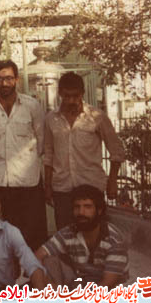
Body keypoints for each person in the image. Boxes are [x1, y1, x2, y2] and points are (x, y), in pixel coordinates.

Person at [0, 60, 47, 250]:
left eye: (9, 78)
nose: (4, 83)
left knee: (31, 237)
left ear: (16, 79)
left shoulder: (32, 106)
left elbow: (42, 141)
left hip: (28, 182)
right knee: (2, 238)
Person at [44, 72, 125, 229]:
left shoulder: (97, 117)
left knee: (93, 233)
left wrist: (112, 181)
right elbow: (48, 154)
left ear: (82, 93)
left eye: (75, 96)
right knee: (66, 234)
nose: (71, 101)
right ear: (60, 93)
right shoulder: (51, 119)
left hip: (91, 186)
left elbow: (117, 150)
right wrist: (47, 187)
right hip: (62, 189)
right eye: (67, 96)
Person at [35, 184, 129, 290]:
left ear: (99, 210)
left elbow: (107, 283)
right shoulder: (69, 232)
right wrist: (48, 284)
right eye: (77, 207)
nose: (81, 212)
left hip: (109, 291)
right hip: (80, 284)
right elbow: (38, 255)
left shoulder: (114, 239)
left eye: (87, 207)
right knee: (48, 261)